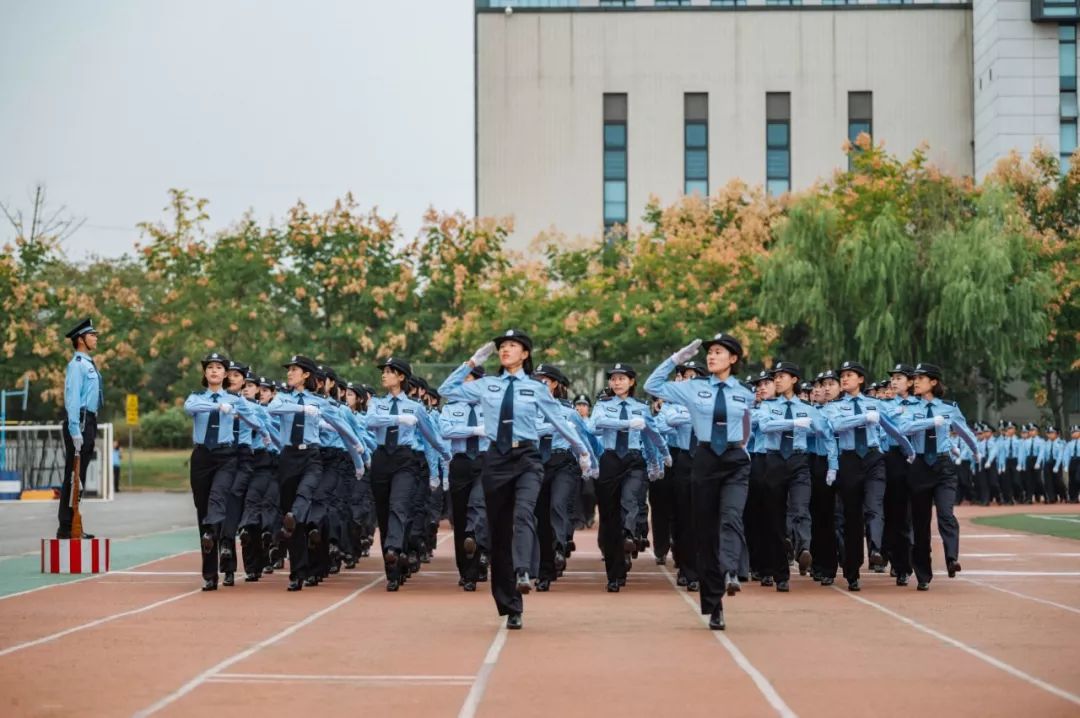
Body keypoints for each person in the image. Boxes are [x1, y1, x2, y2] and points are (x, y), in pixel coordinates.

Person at [440, 329, 591, 630]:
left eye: (512, 345)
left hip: (526, 459)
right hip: (496, 460)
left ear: (525, 354)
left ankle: (524, 571)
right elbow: (447, 389)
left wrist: (582, 451)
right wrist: (472, 362)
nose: (505, 350)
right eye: (501, 346)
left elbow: (559, 420)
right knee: (499, 533)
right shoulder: (487, 385)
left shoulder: (535, 389)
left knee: (523, 513)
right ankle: (511, 605)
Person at [644, 333, 755, 631]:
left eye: (719, 352)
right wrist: (675, 359)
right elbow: (651, 386)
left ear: (733, 359)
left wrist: (744, 448)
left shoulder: (745, 392)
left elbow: (747, 423)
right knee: (704, 534)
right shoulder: (693, 389)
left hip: (734, 460)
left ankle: (731, 571)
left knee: (731, 517)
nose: (712, 356)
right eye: (710, 352)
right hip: (704, 459)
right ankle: (714, 604)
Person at [819, 360, 914, 592]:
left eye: (850, 375)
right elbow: (836, 426)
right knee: (852, 519)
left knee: (875, 506)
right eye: (843, 375)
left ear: (860, 379)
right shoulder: (834, 406)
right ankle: (852, 571)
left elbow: (892, 427)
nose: (845, 378)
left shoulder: (874, 404)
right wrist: (863, 418)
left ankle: (876, 549)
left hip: (873, 459)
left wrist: (908, 449)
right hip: (849, 460)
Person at [894, 363, 979, 591]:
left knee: (946, 513)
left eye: (921, 378)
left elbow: (964, 430)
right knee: (920, 524)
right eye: (915, 379)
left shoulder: (949, 407)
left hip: (943, 466)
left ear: (933, 382)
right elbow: (903, 429)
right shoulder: (909, 407)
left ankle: (952, 558)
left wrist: (977, 450)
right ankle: (923, 574)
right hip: (920, 466)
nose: (916, 382)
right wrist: (931, 422)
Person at [59, 317, 102, 539]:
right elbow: (73, 400)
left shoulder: (87, 363)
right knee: (74, 475)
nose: (96, 337)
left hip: (89, 420)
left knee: (80, 475)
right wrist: (75, 430)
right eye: (92, 334)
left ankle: (73, 523)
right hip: (81, 421)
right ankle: (66, 526)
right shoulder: (77, 365)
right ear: (81, 340)